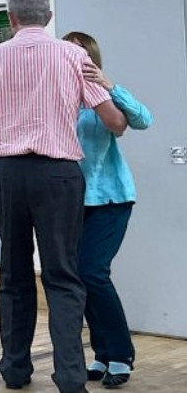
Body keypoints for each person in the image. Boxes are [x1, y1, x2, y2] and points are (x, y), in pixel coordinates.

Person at [0, 0, 127, 393]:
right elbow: (115, 122)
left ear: (11, 18)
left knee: (13, 272)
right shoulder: (73, 56)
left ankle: (15, 371)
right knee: (63, 276)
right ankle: (70, 378)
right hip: (59, 175)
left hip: (7, 174)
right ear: (48, 17)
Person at [62, 31, 152, 389]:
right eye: (69, 52)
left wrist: (110, 86)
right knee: (81, 280)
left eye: (82, 54)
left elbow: (142, 120)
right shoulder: (59, 96)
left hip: (111, 199)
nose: (76, 59)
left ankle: (121, 354)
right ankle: (101, 354)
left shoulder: (103, 95)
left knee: (92, 272)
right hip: (70, 203)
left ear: (92, 59)